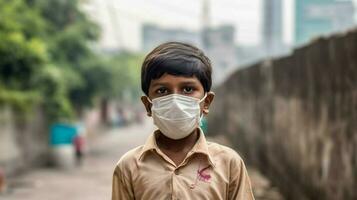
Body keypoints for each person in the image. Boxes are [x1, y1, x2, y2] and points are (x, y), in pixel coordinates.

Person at [112, 42, 255, 200]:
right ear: (148, 105)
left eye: (187, 89)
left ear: (206, 102)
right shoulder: (128, 167)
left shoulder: (229, 164)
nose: (175, 101)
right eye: (162, 91)